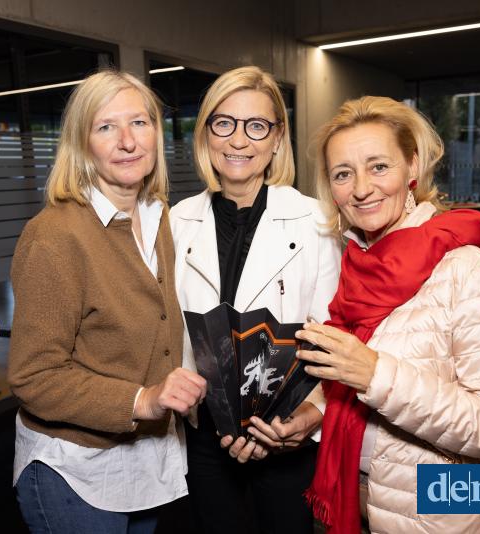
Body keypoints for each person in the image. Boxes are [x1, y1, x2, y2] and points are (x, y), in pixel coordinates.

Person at [295, 96, 480, 533]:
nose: (361, 188)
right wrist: (311, 413)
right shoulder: (357, 266)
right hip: (364, 504)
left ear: (412, 166)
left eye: (379, 166)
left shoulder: (466, 269)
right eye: (343, 174)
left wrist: (376, 376)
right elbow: (351, 381)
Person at [8, 70, 207, 534]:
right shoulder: (55, 236)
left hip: (147, 465)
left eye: (139, 122)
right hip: (77, 474)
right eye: (105, 127)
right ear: (82, 144)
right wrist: (143, 399)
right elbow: (35, 376)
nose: (127, 141)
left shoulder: (161, 220)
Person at [170, 66, 341, 534]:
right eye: (224, 123)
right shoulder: (176, 222)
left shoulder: (316, 222)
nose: (239, 140)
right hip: (204, 437)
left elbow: (335, 334)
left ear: (277, 137)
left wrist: (308, 418)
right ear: (206, 132)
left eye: (257, 126)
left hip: (285, 435)